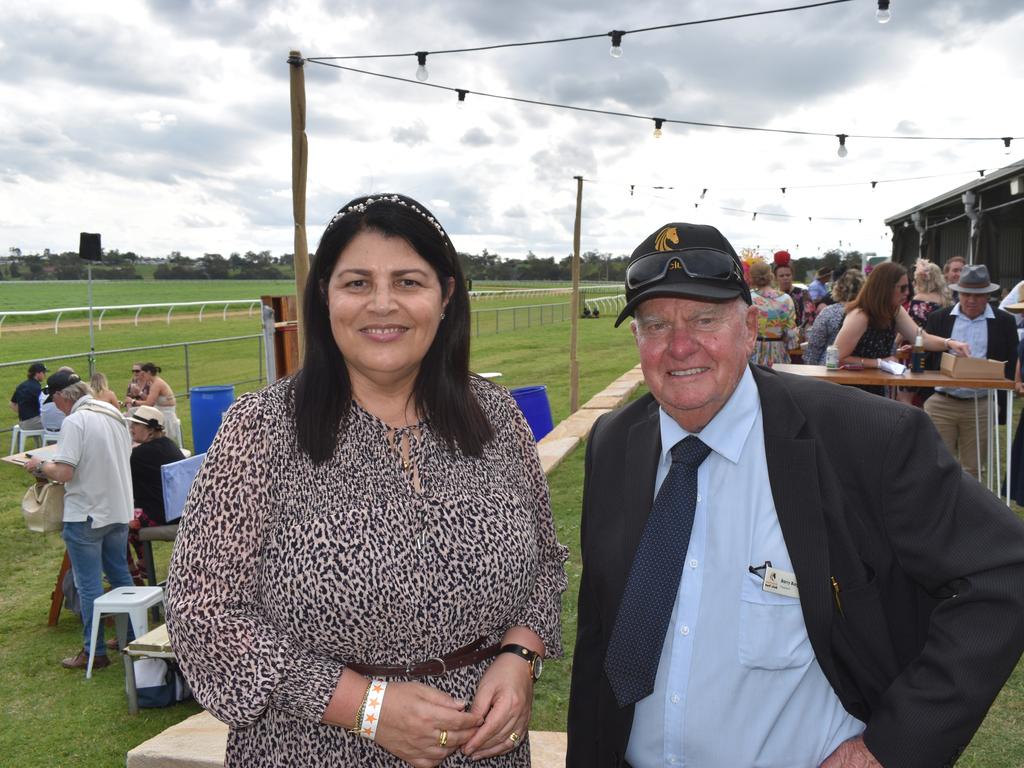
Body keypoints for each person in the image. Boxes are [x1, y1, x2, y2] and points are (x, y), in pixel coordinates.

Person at [566, 220, 1024, 768]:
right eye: (655, 324)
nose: (679, 345)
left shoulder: (864, 440)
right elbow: (601, 631)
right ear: (636, 338)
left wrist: (892, 747)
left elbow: (1003, 571)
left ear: (750, 325)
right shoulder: (614, 444)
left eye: (705, 319)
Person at [166, 193, 567, 767]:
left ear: (446, 295)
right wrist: (366, 707)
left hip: (483, 749)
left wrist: (520, 657)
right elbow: (204, 615)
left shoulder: (495, 418)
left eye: (408, 281)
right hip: (311, 748)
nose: (383, 305)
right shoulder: (260, 431)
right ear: (325, 295)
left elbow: (545, 564)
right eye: (357, 283)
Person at [23, 372, 135, 670]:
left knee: (89, 586)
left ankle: (94, 651)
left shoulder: (75, 421)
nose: (56, 407)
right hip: (117, 506)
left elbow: (64, 472)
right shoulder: (111, 411)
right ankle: (134, 639)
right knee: (121, 576)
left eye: (55, 400)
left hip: (87, 511)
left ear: (63, 396)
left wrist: (39, 465)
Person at [923, 264, 1018, 481]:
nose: (972, 300)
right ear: (958, 292)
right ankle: (938, 511)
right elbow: (927, 358)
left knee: (973, 469)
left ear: (988, 295)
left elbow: (1011, 363)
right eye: (966, 294)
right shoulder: (940, 318)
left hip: (981, 402)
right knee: (936, 465)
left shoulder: (1004, 322)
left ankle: (968, 513)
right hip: (941, 401)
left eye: (979, 295)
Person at [833, 261, 966, 395]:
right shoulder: (860, 315)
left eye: (908, 287)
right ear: (885, 288)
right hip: (850, 390)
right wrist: (879, 363)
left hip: (872, 387)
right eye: (902, 288)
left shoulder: (895, 311)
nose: (907, 292)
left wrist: (949, 343)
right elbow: (838, 358)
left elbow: (922, 339)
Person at [126, 405, 185, 556]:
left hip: (162, 515)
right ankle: (138, 568)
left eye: (136, 424)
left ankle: (132, 571)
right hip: (178, 512)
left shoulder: (140, 455)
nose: (131, 427)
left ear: (150, 430)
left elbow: (124, 484)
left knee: (114, 523)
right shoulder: (169, 445)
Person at [803, 268, 865, 365]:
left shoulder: (828, 312)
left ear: (838, 288)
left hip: (830, 367)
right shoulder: (867, 314)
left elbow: (814, 346)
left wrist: (811, 370)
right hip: (862, 367)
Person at [747, 260, 796, 367]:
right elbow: (791, 332)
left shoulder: (748, 298)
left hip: (753, 351)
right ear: (771, 276)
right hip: (778, 351)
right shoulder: (786, 299)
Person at [128, 363, 181, 446]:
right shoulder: (153, 383)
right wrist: (140, 393)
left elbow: (149, 403)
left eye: (143, 374)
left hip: (166, 415)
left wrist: (133, 401)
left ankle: (136, 439)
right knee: (132, 411)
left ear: (148, 373)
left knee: (135, 413)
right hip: (158, 410)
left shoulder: (157, 384)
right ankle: (134, 438)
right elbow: (150, 400)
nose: (142, 376)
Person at [772, 250, 814, 340]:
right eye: (781, 276)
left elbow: (809, 317)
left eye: (788, 275)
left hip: (800, 338)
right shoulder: (773, 296)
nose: (785, 278)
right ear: (776, 278)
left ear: (792, 276)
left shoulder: (803, 293)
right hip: (778, 339)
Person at [908, 258, 951, 327]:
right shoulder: (945, 298)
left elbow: (909, 325)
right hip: (942, 337)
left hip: (922, 336)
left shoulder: (919, 298)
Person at [9, 361, 47, 434]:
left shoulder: (22, 385)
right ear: (37, 373)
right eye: (43, 373)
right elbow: (43, 405)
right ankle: (52, 444)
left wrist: (24, 412)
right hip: (33, 423)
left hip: (22, 422)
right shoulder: (36, 387)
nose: (45, 375)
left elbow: (11, 404)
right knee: (54, 424)